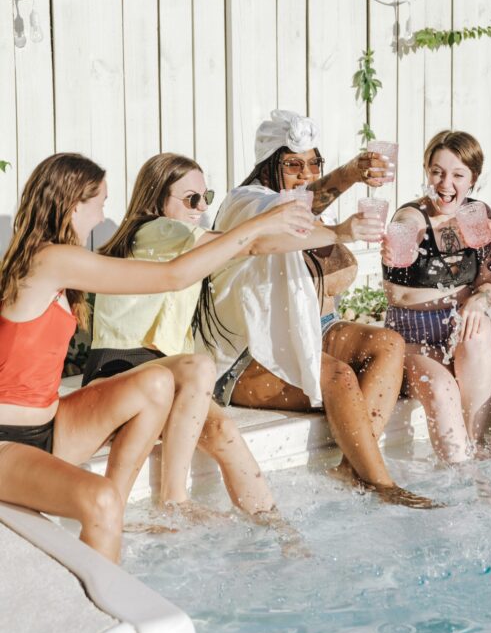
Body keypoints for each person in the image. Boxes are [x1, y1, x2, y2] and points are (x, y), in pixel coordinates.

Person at [0, 153, 313, 562]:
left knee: (157, 382)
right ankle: (111, 610)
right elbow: (173, 276)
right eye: (101, 203)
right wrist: (260, 224)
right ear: (75, 203)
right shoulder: (50, 260)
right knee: (99, 501)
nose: (101, 215)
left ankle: (125, 510)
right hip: (7, 440)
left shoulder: (51, 260)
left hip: (52, 425)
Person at [197, 109, 435, 508]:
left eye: (313, 163)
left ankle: (350, 469)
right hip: (241, 359)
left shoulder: (290, 200)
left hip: (305, 329)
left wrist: (353, 171)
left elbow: (305, 206)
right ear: (268, 166)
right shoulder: (247, 203)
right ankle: (384, 486)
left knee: (389, 344)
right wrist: (342, 230)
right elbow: (276, 228)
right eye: (293, 164)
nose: (305, 173)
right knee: (338, 377)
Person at [83, 153, 303, 523]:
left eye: (206, 197)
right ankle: (173, 499)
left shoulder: (186, 240)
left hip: (167, 372)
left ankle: (274, 529)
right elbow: (251, 244)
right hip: (120, 368)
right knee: (201, 367)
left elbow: (251, 246)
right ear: (157, 199)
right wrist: (324, 228)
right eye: (190, 199)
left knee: (223, 428)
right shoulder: (155, 230)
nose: (201, 209)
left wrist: (341, 231)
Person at [381, 130, 491, 463]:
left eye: (457, 174)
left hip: (461, 336)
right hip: (413, 341)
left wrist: (479, 300)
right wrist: (462, 294)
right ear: (426, 170)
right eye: (437, 171)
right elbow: (399, 294)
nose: (445, 183)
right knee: (441, 389)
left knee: (478, 332)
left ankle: (474, 446)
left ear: (473, 178)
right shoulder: (411, 218)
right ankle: (457, 474)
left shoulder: (478, 215)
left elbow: (489, 281)